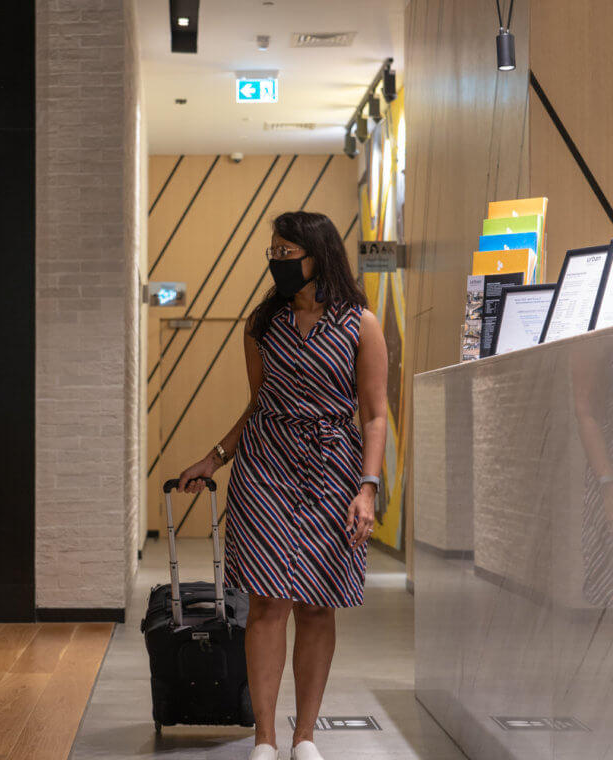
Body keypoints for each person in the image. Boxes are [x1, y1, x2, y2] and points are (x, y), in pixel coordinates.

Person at [176, 211, 389, 760]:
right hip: (267, 466)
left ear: (318, 256)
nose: (276, 264)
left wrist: (367, 488)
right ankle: (266, 739)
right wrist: (215, 457)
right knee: (268, 603)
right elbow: (259, 404)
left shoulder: (359, 323)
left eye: (286, 254)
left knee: (317, 606)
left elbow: (374, 414)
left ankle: (306, 737)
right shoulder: (260, 325)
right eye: (272, 254)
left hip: (334, 469)